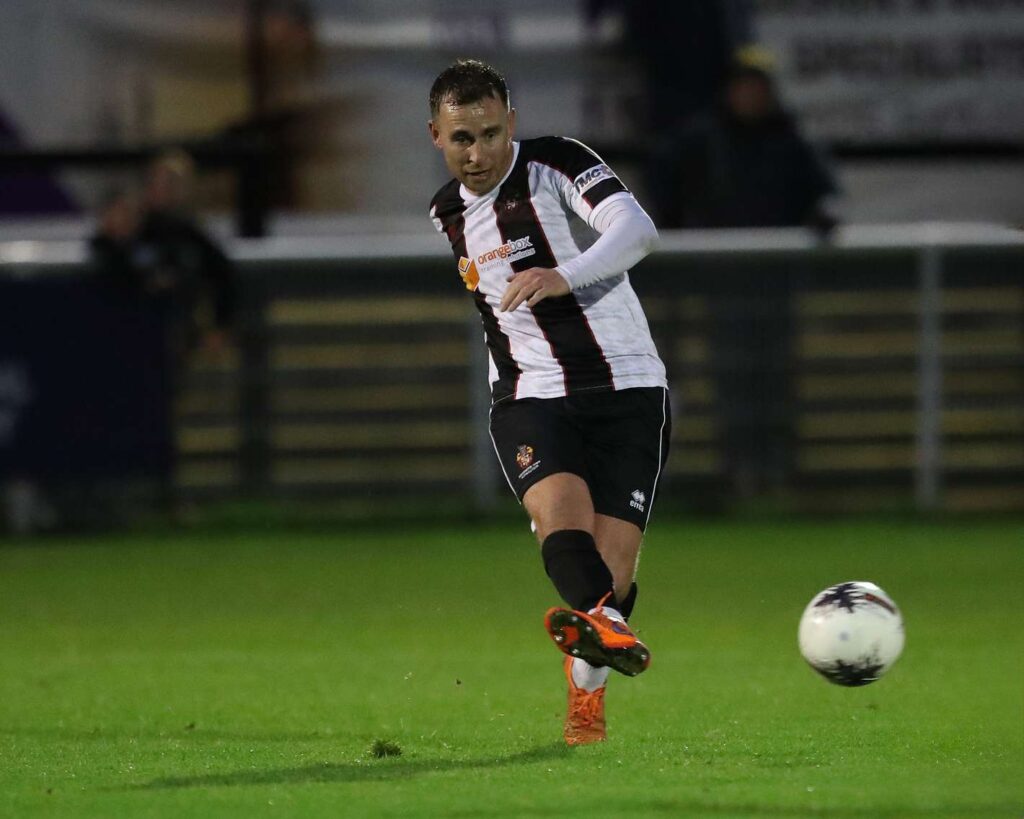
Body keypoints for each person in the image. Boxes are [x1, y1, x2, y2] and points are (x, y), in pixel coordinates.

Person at [427, 59, 670, 746]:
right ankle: (599, 649)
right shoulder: (446, 213)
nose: (478, 153)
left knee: (613, 574)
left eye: (491, 133)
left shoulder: (558, 164)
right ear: (435, 135)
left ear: (514, 124)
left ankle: (595, 658)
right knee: (560, 517)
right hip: (532, 394)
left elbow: (638, 230)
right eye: (462, 138)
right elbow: (492, 312)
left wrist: (565, 275)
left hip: (628, 382)